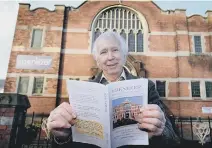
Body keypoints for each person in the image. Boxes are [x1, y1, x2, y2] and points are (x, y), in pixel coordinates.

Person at [46, 31, 180, 148]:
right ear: (97, 60)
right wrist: (61, 137)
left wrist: (161, 129)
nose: (110, 57)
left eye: (115, 50)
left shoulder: (146, 86)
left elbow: (172, 137)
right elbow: (71, 139)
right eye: (103, 52)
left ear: (124, 55)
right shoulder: (84, 90)